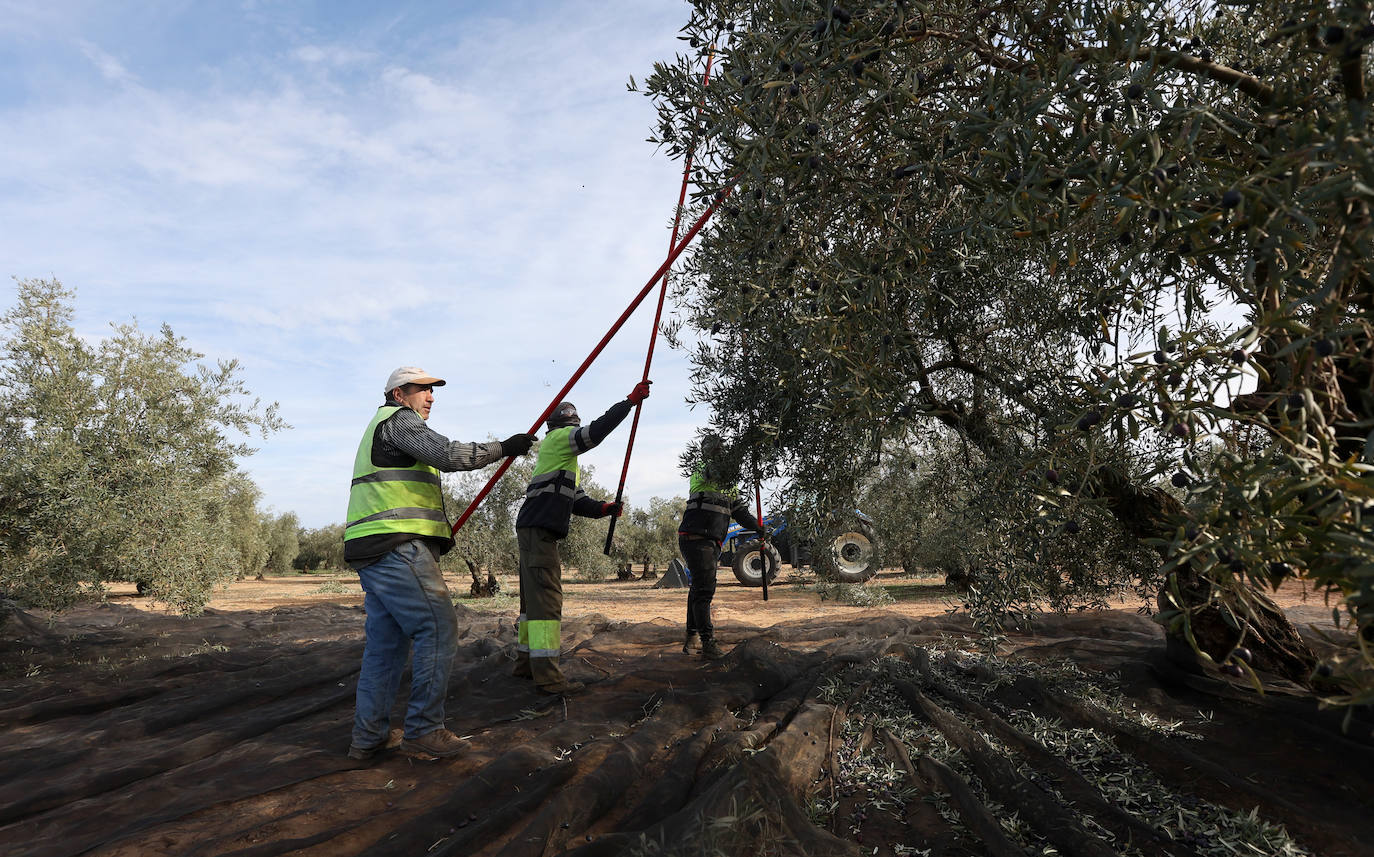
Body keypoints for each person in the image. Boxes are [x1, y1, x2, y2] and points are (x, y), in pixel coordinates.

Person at [343, 366, 536, 761]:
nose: (430, 397)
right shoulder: (399, 422)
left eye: (432, 391)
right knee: (438, 625)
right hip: (396, 545)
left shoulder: (384, 427)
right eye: (421, 390)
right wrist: (504, 446)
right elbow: (447, 455)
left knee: (386, 646)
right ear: (399, 395)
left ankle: (369, 737)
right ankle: (424, 730)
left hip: (372, 548)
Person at [512, 381, 651, 695]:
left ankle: (524, 665)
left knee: (531, 604)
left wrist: (605, 508)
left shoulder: (559, 458)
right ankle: (548, 678)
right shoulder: (561, 440)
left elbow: (576, 501)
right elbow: (596, 432)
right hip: (539, 533)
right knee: (547, 603)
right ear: (568, 426)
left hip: (532, 529)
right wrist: (628, 402)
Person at [676, 434, 764, 660]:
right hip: (696, 538)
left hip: (710, 539)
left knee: (698, 588)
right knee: (704, 590)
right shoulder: (702, 468)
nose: (720, 454)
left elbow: (740, 512)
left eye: (721, 450)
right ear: (708, 451)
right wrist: (747, 449)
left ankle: (692, 638)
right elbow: (718, 469)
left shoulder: (728, 483)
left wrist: (758, 528)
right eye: (716, 451)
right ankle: (708, 642)